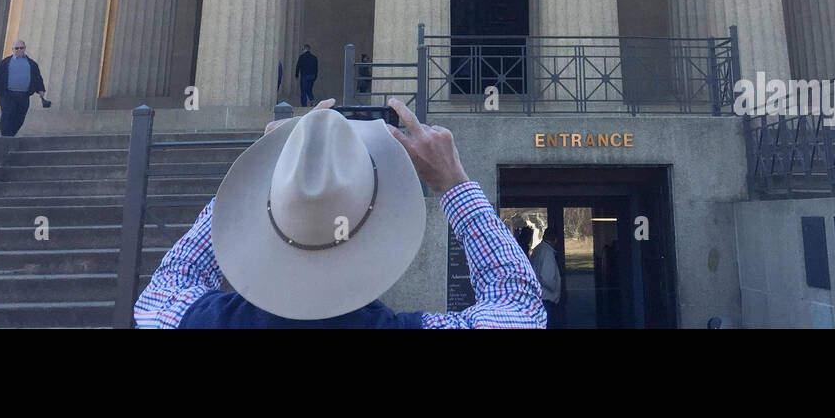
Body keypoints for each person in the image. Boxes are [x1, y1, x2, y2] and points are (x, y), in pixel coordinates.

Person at [134, 98, 545, 329]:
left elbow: (169, 284)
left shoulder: (190, 321)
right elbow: (518, 308)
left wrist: (263, 168)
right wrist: (453, 183)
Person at [0, 40, 48, 136]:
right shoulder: (5, 63)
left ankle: (11, 135)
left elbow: (37, 77)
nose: (19, 50)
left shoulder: (32, 64)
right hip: (7, 94)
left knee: (20, 117)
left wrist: (41, 90)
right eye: (16, 48)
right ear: (12, 49)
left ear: (24, 49)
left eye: (21, 48)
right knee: (7, 115)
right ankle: (6, 137)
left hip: (23, 95)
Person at [529, 225, 563, 328]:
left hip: (539, 298)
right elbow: (546, 277)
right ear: (555, 240)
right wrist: (556, 289)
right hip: (547, 299)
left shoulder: (538, 250)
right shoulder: (547, 253)